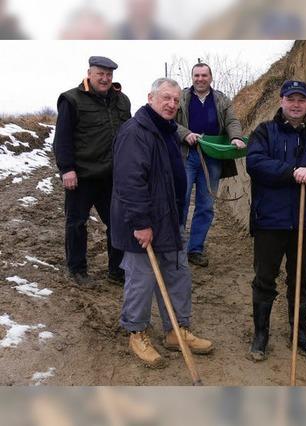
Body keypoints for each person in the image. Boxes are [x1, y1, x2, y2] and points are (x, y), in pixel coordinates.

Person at [111, 78, 213, 368]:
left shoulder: (167, 131)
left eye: (175, 100)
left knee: (177, 275)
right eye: (165, 98)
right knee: (141, 280)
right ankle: (137, 332)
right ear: (150, 98)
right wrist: (142, 222)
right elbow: (129, 182)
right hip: (142, 224)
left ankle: (176, 330)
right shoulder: (136, 132)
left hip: (169, 220)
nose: (171, 104)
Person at [246, 80, 306, 362]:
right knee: (265, 279)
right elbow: (255, 163)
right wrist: (294, 173)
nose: (296, 104)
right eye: (291, 99)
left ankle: (300, 335)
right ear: (281, 101)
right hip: (270, 221)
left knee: (301, 280)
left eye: (301, 99)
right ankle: (261, 335)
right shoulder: (264, 132)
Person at [53, 56, 130, 287]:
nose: (105, 79)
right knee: (76, 224)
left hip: (111, 176)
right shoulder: (71, 100)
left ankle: (117, 271)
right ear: (89, 73)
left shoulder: (121, 100)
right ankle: (77, 270)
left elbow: (129, 133)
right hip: (82, 176)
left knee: (117, 223)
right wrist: (67, 169)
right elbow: (62, 139)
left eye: (109, 75)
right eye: (100, 74)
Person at [175, 62, 245, 267]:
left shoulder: (222, 99)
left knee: (206, 205)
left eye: (204, 75)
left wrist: (236, 137)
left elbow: (232, 121)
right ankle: (176, 247)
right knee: (182, 200)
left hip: (212, 156)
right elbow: (170, 121)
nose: (200, 79)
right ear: (192, 77)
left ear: (210, 77)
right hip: (187, 155)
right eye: (196, 75)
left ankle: (195, 249)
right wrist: (185, 133)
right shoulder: (181, 97)